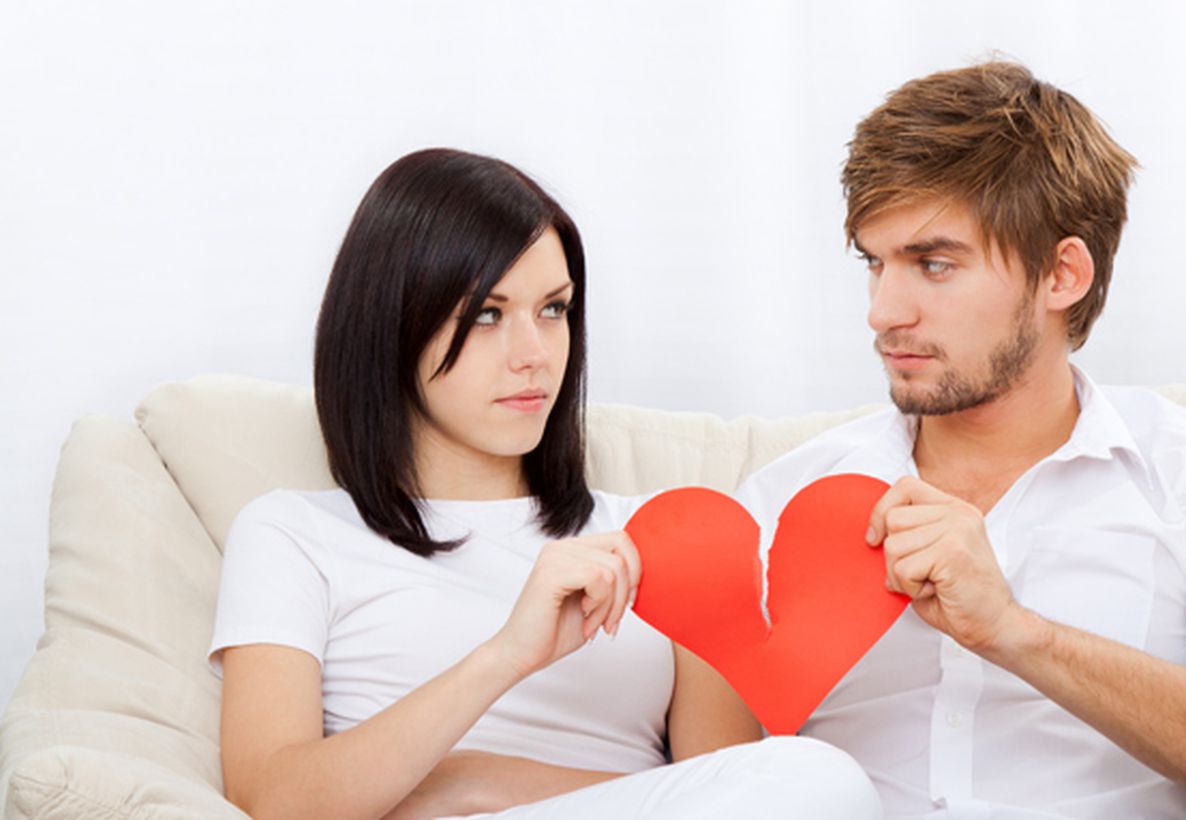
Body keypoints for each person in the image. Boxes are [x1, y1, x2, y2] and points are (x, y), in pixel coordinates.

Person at [736, 62, 1186, 818]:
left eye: (934, 264)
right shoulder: (786, 497)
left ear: (1062, 274)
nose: (883, 312)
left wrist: (1015, 632)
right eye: (875, 263)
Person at [208, 148, 881, 820]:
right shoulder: (293, 533)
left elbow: (736, 787)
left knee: (816, 776)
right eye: (487, 314)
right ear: (392, 324)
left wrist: (466, 786)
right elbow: (272, 800)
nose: (535, 355)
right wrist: (505, 657)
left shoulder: (656, 535)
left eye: (554, 309)